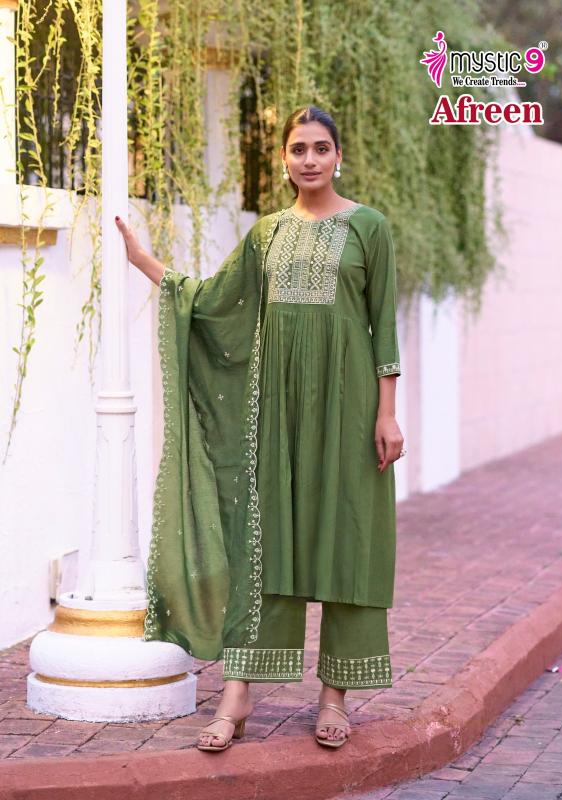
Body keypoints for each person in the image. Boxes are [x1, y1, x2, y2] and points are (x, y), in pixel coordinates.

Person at [115, 105, 405, 752]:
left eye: (321, 148)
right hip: (276, 409)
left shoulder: (370, 227)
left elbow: (383, 324)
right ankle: (238, 694)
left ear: (338, 156)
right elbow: (216, 301)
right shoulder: (266, 235)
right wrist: (145, 262)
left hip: (350, 409)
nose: (310, 159)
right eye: (298, 148)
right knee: (265, 541)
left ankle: (335, 696)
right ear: (283, 159)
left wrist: (386, 413)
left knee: (347, 539)